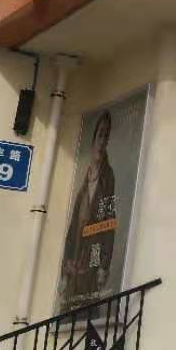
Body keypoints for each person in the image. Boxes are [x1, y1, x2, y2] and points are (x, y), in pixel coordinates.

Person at [59, 111, 118, 305]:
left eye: (106, 136)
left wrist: (103, 266)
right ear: (93, 138)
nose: (102, 141)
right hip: (74, 261)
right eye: (100, 134)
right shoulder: (84, 178)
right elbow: (73, 227)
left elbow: (109, 222)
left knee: (87, 307)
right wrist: (65, 264)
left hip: (92, 257)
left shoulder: (108, 178)